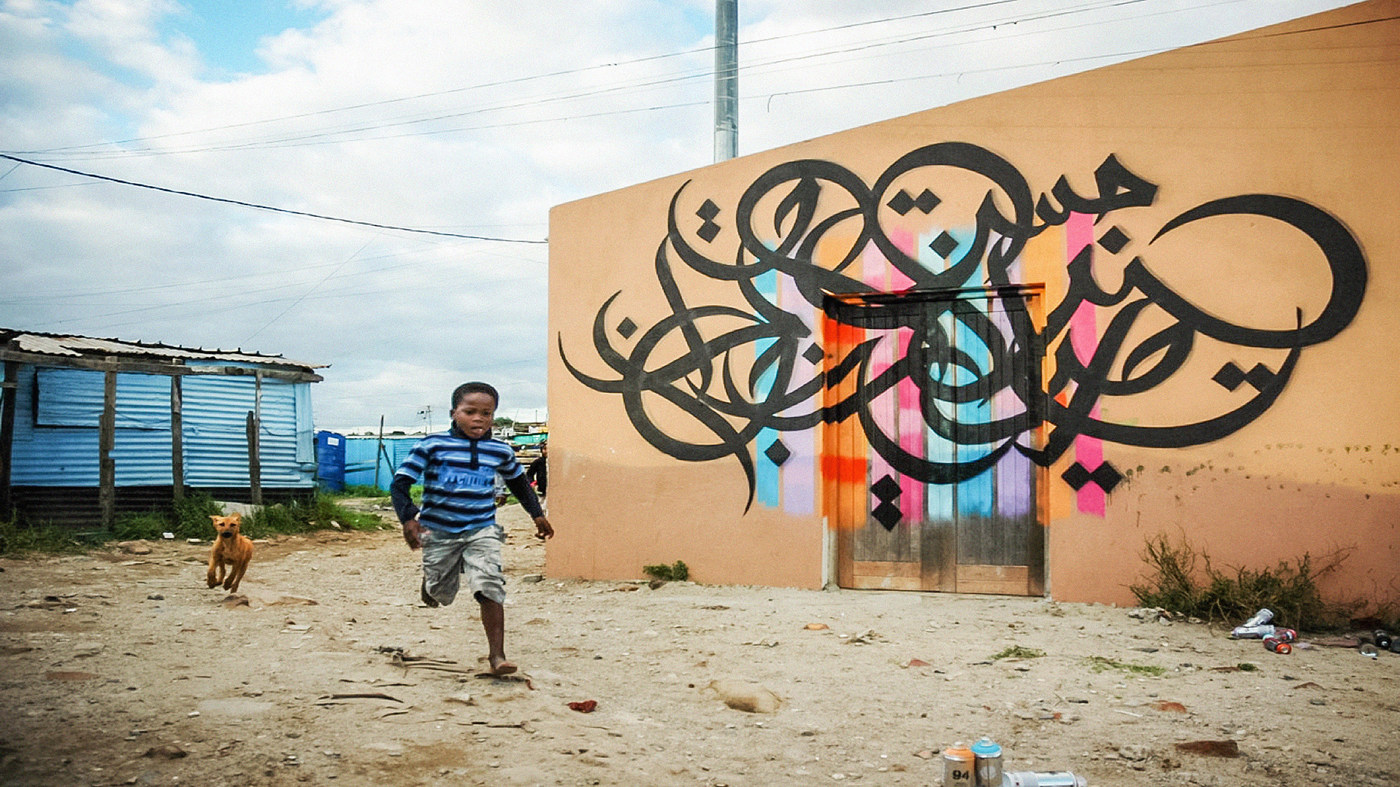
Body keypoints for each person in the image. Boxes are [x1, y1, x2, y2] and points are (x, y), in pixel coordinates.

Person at [390, 382, 554, 676]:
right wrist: (408, 517)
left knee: (489, 586)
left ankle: (497, 656)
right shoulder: (431, 446)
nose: (478, 418)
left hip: (482, 529)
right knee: (440, 594)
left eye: (487, 413)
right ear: (454, 413)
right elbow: (400, 483)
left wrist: (537, 515)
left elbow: (518, 483)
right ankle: (431, 582)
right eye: (470, 412)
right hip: (439, 531)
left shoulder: (499, 451)